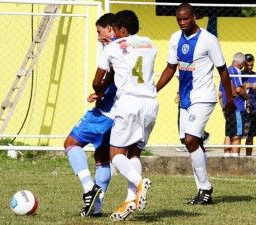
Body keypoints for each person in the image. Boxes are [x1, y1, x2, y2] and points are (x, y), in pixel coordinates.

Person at [156, 3, 235, 205]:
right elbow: (170, 68)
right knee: (190, 143)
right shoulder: (175, 38)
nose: (182, 22)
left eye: (186, 18)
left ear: (194, 17)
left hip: (204, 96)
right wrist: (153, 89)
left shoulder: (209, 40)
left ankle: (206, 188)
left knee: (191, 139)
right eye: (179, 19)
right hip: (185, 98)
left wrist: (230, 99)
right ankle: (202, 190)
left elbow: (223, 71)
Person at [92, 10, 158, 221]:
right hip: (150, 103)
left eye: (117, 30)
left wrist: (98, 89)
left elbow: (98, 79)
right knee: (134, 153)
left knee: (116, 154)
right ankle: (130, 200)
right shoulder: (150, 43)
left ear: (122, 29)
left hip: (128, 102)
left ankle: (139, 183)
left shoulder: (112, 47)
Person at [63, 13, 116, 217]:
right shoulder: (131, 47)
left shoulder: (113, 49)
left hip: (105, 111)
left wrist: (100, 90)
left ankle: (89, 189)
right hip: (120, 113)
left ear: (110, 29)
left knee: (71, 143)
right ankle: (96, 207)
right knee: (102, 157)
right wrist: (102, 92)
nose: (98, 37)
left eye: (99, 32)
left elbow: (106, 77)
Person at [219, 52, 249, 157]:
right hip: (237, 108)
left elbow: (220, 94)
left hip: (227, 108)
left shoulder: (225, 72)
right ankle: (235, 160)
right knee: (237, 134)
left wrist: (223, 107)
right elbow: (238, 89)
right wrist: (247, 98)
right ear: (241, 62)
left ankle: (226, 157)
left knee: (228, 133)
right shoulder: (235, 72)